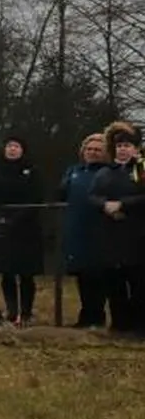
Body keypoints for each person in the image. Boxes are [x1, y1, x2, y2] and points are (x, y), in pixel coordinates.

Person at [89, 121, 145, 336]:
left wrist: (123, 204)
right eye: (120, 146)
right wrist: (105, 205)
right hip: (111, 234)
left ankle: (139, 326)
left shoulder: (140, 169)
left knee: (139, 283)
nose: (123, 149)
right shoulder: (105, 172)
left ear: (135, 149)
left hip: (137, 234)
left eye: (127, 146)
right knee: (114, 283)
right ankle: (120, 324)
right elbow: (92, 196)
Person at [0, 134, 45, 325]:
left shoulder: (33, 170)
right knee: (7, 272)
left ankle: (26, 313)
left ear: (23, 150)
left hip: (27, 227)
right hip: (3, 227)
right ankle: (11, 310)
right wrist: (0, 216)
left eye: (16, 146)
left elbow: (37, 197)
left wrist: (17, 217)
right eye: (9, 145)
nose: (12, 149)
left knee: (26, 273)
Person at [59, 132, 109, 330]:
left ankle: (98, 317)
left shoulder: (109, 171)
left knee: (99, 275)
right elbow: (62, 192)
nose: (93, 152)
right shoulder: (73, 171)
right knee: (82, 275)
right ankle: (85, 316)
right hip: (76, 228)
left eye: (97, 150)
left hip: (101, 229)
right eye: (89, 149)